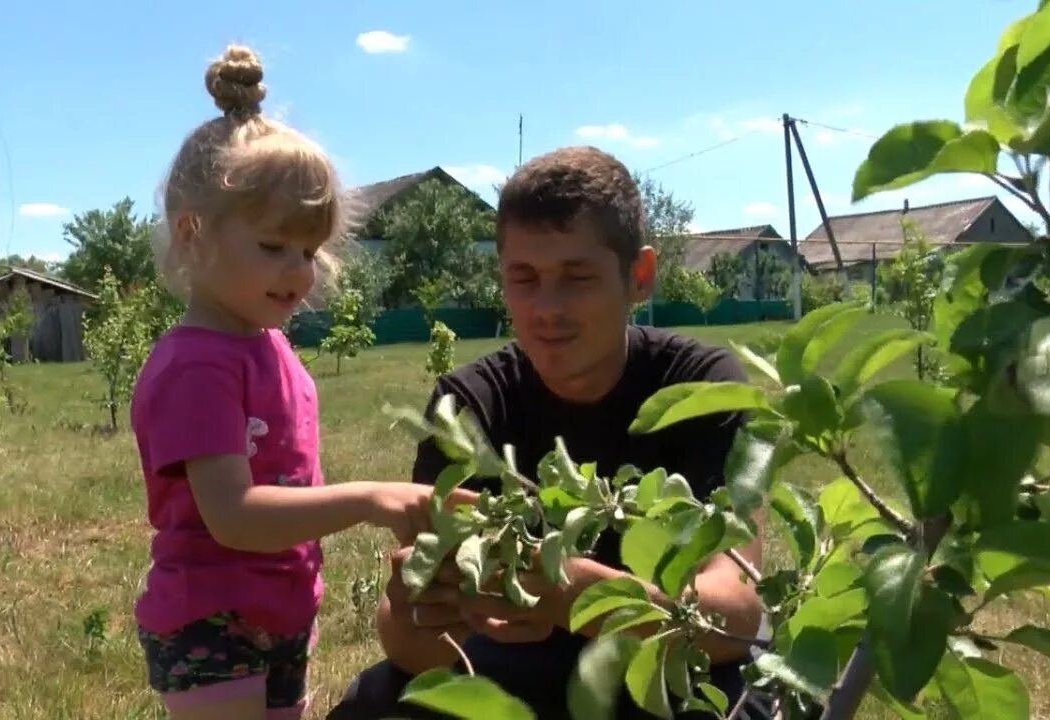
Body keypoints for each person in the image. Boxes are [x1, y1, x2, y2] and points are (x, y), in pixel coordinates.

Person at [327, 146, 767, 720]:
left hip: (665, 666)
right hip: (512, 669)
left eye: (576, 277)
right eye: (524, 278)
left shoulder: (702, 389)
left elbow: (734, 616)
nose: (546, 307)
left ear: (639, 276)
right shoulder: (469, 403)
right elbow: (417, 652)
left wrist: (581, 598)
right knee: (376, 704)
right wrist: (416, 609)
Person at [129, 44, 468, 720]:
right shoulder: (196, 364)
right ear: (193, 234)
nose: (299, 271)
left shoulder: (273, 349)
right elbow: (233, 516)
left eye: (309, 251)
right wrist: (371, 498)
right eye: (273, 247)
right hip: (212, 623)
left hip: (281, 608)